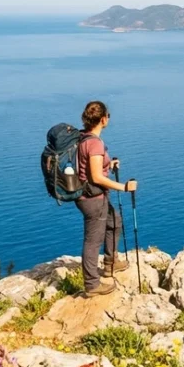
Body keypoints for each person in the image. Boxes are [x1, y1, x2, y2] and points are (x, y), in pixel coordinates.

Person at [76, 100, 137, 297]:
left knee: (115, 222)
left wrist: (109, 165)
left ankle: (111, 263)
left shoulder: (83, 137)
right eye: (108, 116)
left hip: (91, 195)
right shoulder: (94, 143)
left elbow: (90, 168)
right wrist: (124, 187)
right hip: (93, 198)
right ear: (103, 119)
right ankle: (92, 284)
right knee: (93, 240)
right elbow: (96, 177)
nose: (108, 119)